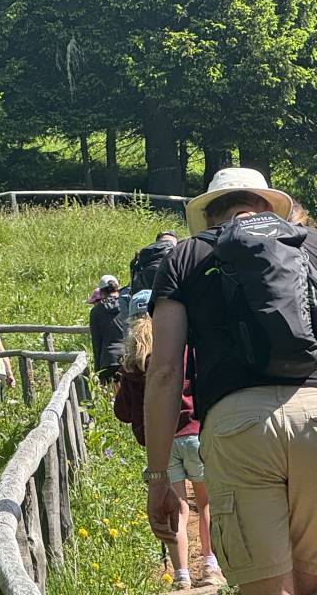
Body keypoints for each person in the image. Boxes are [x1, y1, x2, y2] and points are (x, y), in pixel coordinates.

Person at [145, 167, 316, 594]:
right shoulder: (311, 245)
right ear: (265, 205)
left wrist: (160, 476)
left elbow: (165, 372)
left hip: (239, 428)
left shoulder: (185, 256)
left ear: (211, 214)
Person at [114, 290, 223, 590]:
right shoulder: (181, 349)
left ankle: (181, 575)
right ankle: (212, 565)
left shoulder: (131, 363)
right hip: (194, 433)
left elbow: (123, 412)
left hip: (160, 446)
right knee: (206, 502)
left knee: (177, 508)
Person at [89, 274, 125, 384]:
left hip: (108, 360)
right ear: (118, 289)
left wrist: (98, 370)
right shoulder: (126, 305)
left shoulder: (96, 312)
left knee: (111, 398)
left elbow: (96, 342)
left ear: (101, 292)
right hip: (128, 358)